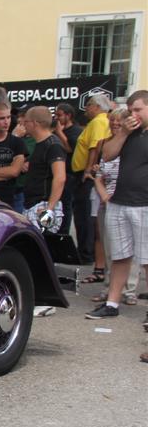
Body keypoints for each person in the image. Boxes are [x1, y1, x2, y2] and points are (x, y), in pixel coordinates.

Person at [86, 90, 148, 335]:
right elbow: (107, 154)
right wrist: (123, 132)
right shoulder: (128, 134)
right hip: (120, 202)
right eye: (130, 110)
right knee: (120, 256)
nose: (133, 115)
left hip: (144, 204)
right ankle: (112, 303)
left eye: (138, 110)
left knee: (146, 259)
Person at [85, 109, 140, 305]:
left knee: (133, 249)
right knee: (111, 248)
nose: (115, 124)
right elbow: (99, 173)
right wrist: (103, 194)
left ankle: (130, 290)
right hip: (108, 201)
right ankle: (109, 287)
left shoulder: (135, 140)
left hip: (131, 200)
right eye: (113, 121)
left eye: (119, 121)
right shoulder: (105, 143)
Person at [71, 93, 113, 263]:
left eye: (88, 105)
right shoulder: (102, 121)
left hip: (85, 174)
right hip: (86, 172)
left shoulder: (98, 121)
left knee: (84, 215)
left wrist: (88, 170)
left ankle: (85, 254)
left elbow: (94, 147)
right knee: (87, 214)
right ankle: (87, 252)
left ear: (96, 106)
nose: (86, 108)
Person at [54, 102, 84, 245]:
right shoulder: (58, 130)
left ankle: (64, 234)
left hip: (70, 173)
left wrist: (60, 133)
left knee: (66, 205)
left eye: (59, 115)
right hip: (57, 172)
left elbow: (70, 149)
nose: (57, 118)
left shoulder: (76, 131)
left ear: (68, 115)